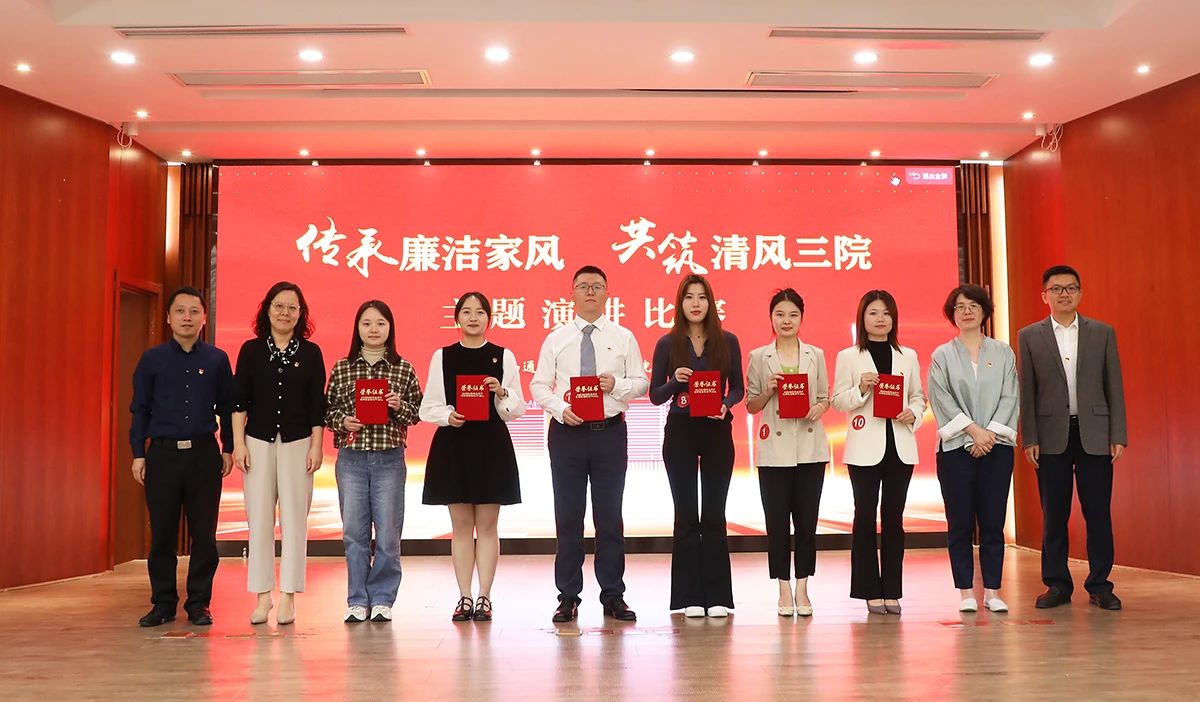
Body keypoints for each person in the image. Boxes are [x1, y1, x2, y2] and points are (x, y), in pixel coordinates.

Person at [530, 265, 649, 623]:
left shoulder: (623, 336)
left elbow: (641, 382)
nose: (591, 292)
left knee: (609, 518)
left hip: (609, 433)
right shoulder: (556, 339)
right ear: (572, 294)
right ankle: (568, 596)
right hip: (567, 434)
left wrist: (618, 385)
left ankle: (613, 595)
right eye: (583, 286)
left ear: (608, 293)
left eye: (597, 286)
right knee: (568, 517)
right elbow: (539, 385)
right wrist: (560, 408)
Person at [1018, 265, 1127, 611]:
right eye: (1057, 288)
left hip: (1095, 433)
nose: (1064, 294)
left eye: (1071, 288)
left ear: (1080, 293)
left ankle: (1100, 585)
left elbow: (1114, 385)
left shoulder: (1102, 332)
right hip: (1051, 436)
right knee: (1054, 514)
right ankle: (1057, 584)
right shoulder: (1029, 336)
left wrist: (1118, 433)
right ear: (1044, 296)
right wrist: (1029, 437)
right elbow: (1027, 390)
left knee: (1098, 513)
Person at [129, 286, 234, 627]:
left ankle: (199, 604)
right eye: (180, 311)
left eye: (194, 311)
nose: (187, 317)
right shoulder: (152, 360)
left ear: (204, 318)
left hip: (204, 455)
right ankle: (162, 604)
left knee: (204, 535)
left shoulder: (217, 360)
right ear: (169, 317)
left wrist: (228, 448)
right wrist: (138, 454)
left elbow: (228, 407)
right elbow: (140, 409)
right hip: (162, 456)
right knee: (162, 534)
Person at [419, 292, 526, 623]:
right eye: (466, 312)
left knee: (488, 526)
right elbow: (428, 406)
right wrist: (447, 415)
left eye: (480, 312)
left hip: (491, 445)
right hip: (455, 445)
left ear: (489, 318)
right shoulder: (443, 356)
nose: (473, 318)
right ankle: (464, 596)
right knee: (461, 526)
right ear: (457, 318)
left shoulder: (503, 355)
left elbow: (516, 409)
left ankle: (485, 597)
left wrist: (502, 392)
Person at [648, 275, 744, 618]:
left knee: (714, 515)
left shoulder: (727, 341)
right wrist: (676, 381)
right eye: (689, 297)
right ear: (680, 303)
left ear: (710, 302)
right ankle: (688, 596)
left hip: (717, 431)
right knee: (686, 515)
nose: (695, 303)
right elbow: (655, 395)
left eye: (702, 297)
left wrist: (726, 405)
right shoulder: (667, 343)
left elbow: (738, 389)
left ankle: (717, 596)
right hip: (680, 433)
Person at [231, 282, 326, 626]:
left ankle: (288, 596)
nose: (285, 312)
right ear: (267, 309)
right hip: (256, 441)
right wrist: (238, 443)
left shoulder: (311, 353)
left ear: (301, 314)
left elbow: (317, 405)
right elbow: (239, 401)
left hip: (299, 443)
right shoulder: (251, 350)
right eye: (279, 306)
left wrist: (317, 445)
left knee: (295, 520)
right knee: (258, 520)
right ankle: (262, 596)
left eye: (292, 307)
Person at [325, 300, 423, 623]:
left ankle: (382, 598)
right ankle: (356, 599)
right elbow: (328, 410)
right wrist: (343, 421)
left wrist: (398, 406)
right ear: (357, 328)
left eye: (380, 323)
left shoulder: (403, 368)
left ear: (390, 328)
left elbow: (417, 413)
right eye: (367, 323)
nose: (373, 329)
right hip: (351, 460)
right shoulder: (342, 367)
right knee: (354, 534)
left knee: (388, 534)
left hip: (389, 459)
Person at [832, 290, 926, 615]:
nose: (880, 319)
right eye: (873, 313)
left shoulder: (908, 356)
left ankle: (892, 591)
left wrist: (914, 412)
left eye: (886, 313)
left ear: (894, 318)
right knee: (864, 517)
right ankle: (868, 590)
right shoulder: (849, 356)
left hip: (900, 447)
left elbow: (918, 396)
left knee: (894, 519)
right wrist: (860, 388)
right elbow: (837, 400)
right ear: (862, 318)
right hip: (864, 448)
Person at [927, 284, 1019, 614]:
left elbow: (1011, 396)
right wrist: (973, 433)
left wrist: (989, 434)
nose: (967, 312)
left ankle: (992, 591)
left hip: (997, 447)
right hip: (956, 449)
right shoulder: (941, 355)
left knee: (993, 522)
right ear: (952, 314)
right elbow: (941, 399)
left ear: (984, 311)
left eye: (973, 306)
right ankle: (966, 591)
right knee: (960, 522)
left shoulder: (1003, 353)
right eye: (960, 307)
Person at [744, 288, 830, 617]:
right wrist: (768, 390)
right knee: (777, 524)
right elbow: (751, 405)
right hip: (774, 453)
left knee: (807, 524)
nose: (786, 321)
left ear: (802, 318)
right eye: (780, 314)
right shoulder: (759, 356)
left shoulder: (815, 354)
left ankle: (803, 587)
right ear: (771, 318)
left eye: (793, 314)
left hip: (810, 449)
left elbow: (824, 397)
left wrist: (818, 408)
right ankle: (783, 587)